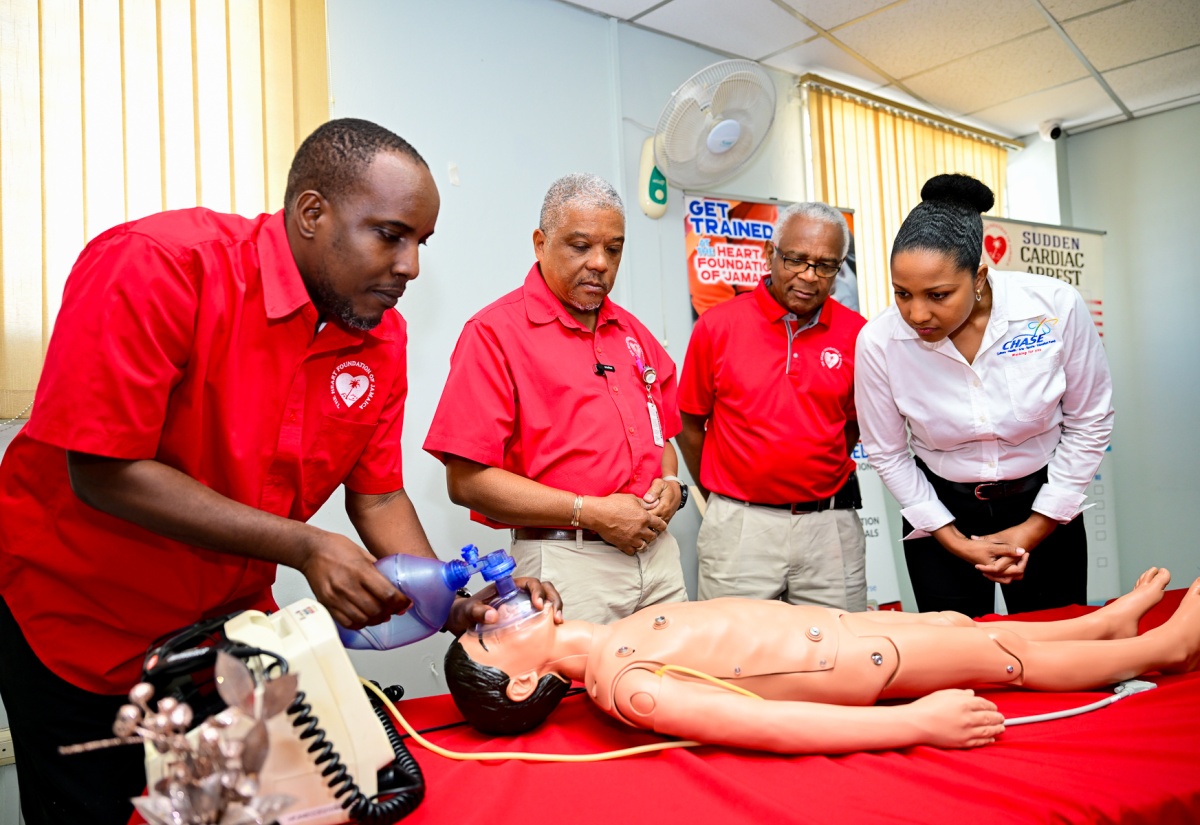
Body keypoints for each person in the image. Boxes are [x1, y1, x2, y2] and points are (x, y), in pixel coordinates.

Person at [0, 118, 561, 825]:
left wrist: (453, 608)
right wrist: (303, 545)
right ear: (311, 212)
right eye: (390, 234)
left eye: (421, 243)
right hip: (79, 627)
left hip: (223, 632)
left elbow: (379, 494)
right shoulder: (157, 265)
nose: (412, 266)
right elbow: (104, 470)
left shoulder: (380, 336)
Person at [444, 567, 1200, 753]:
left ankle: (1103, 625)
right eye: (485, 633)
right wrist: (914, 723)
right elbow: (770, 726)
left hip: (835, 627)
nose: (492, 611)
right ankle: (1158, 647)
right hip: (851, 659)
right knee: (998, 653)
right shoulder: (629, 687)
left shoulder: (611, 643)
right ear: (520, 678)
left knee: (957, 622)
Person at [424, 173, 687, 624]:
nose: (600, 263)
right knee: (575, 693)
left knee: (671, 687)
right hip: (566, 567)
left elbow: (663, 436)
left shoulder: (634, 334)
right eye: (580, 246)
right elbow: (465, 482)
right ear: (540, 243)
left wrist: (671, 486)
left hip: (658, 559)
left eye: (614, 248)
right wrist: (592, 512)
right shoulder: (493, 334)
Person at [855, 174, 1113, 617]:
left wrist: (1035, 527)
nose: (917, 313)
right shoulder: (879, 342)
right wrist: (954, 540)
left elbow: (1090, 419)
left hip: (1047, 505)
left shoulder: (1053, 308)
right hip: (940, 513)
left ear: (978, 276)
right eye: (902, 293)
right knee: (957, 659)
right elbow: (888, 451)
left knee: (1058, 646)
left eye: (938, 295)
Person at [677, 202, 868, 611]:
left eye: (825, 265)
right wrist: (721, 494)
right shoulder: (716, 326)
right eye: (796, 259)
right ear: (770, 254)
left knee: (839, 659)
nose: (808, 276)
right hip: (740, 526)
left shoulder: (859, 335)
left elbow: (852, 426)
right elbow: (689, 424)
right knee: (734, 658)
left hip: (829, 528)